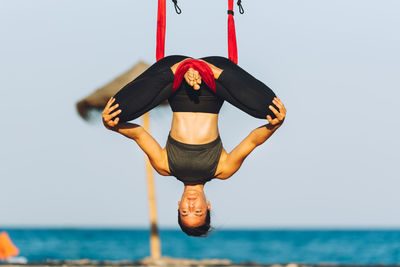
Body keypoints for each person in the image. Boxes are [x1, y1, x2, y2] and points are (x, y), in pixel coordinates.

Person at [102, 55, 286, 236]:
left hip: (174, 79)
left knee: (116, 113)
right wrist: (275, 125)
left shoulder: (164, 166)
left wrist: (112, 126)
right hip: (214, 82)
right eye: (198, 211)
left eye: (184, 212)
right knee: (271, 111)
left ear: (178, 206)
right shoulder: (223, 169)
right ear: (208, 206)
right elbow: (253, 140)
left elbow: (139, 134)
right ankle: (207, 70)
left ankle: (182, 68)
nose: (191, 206)